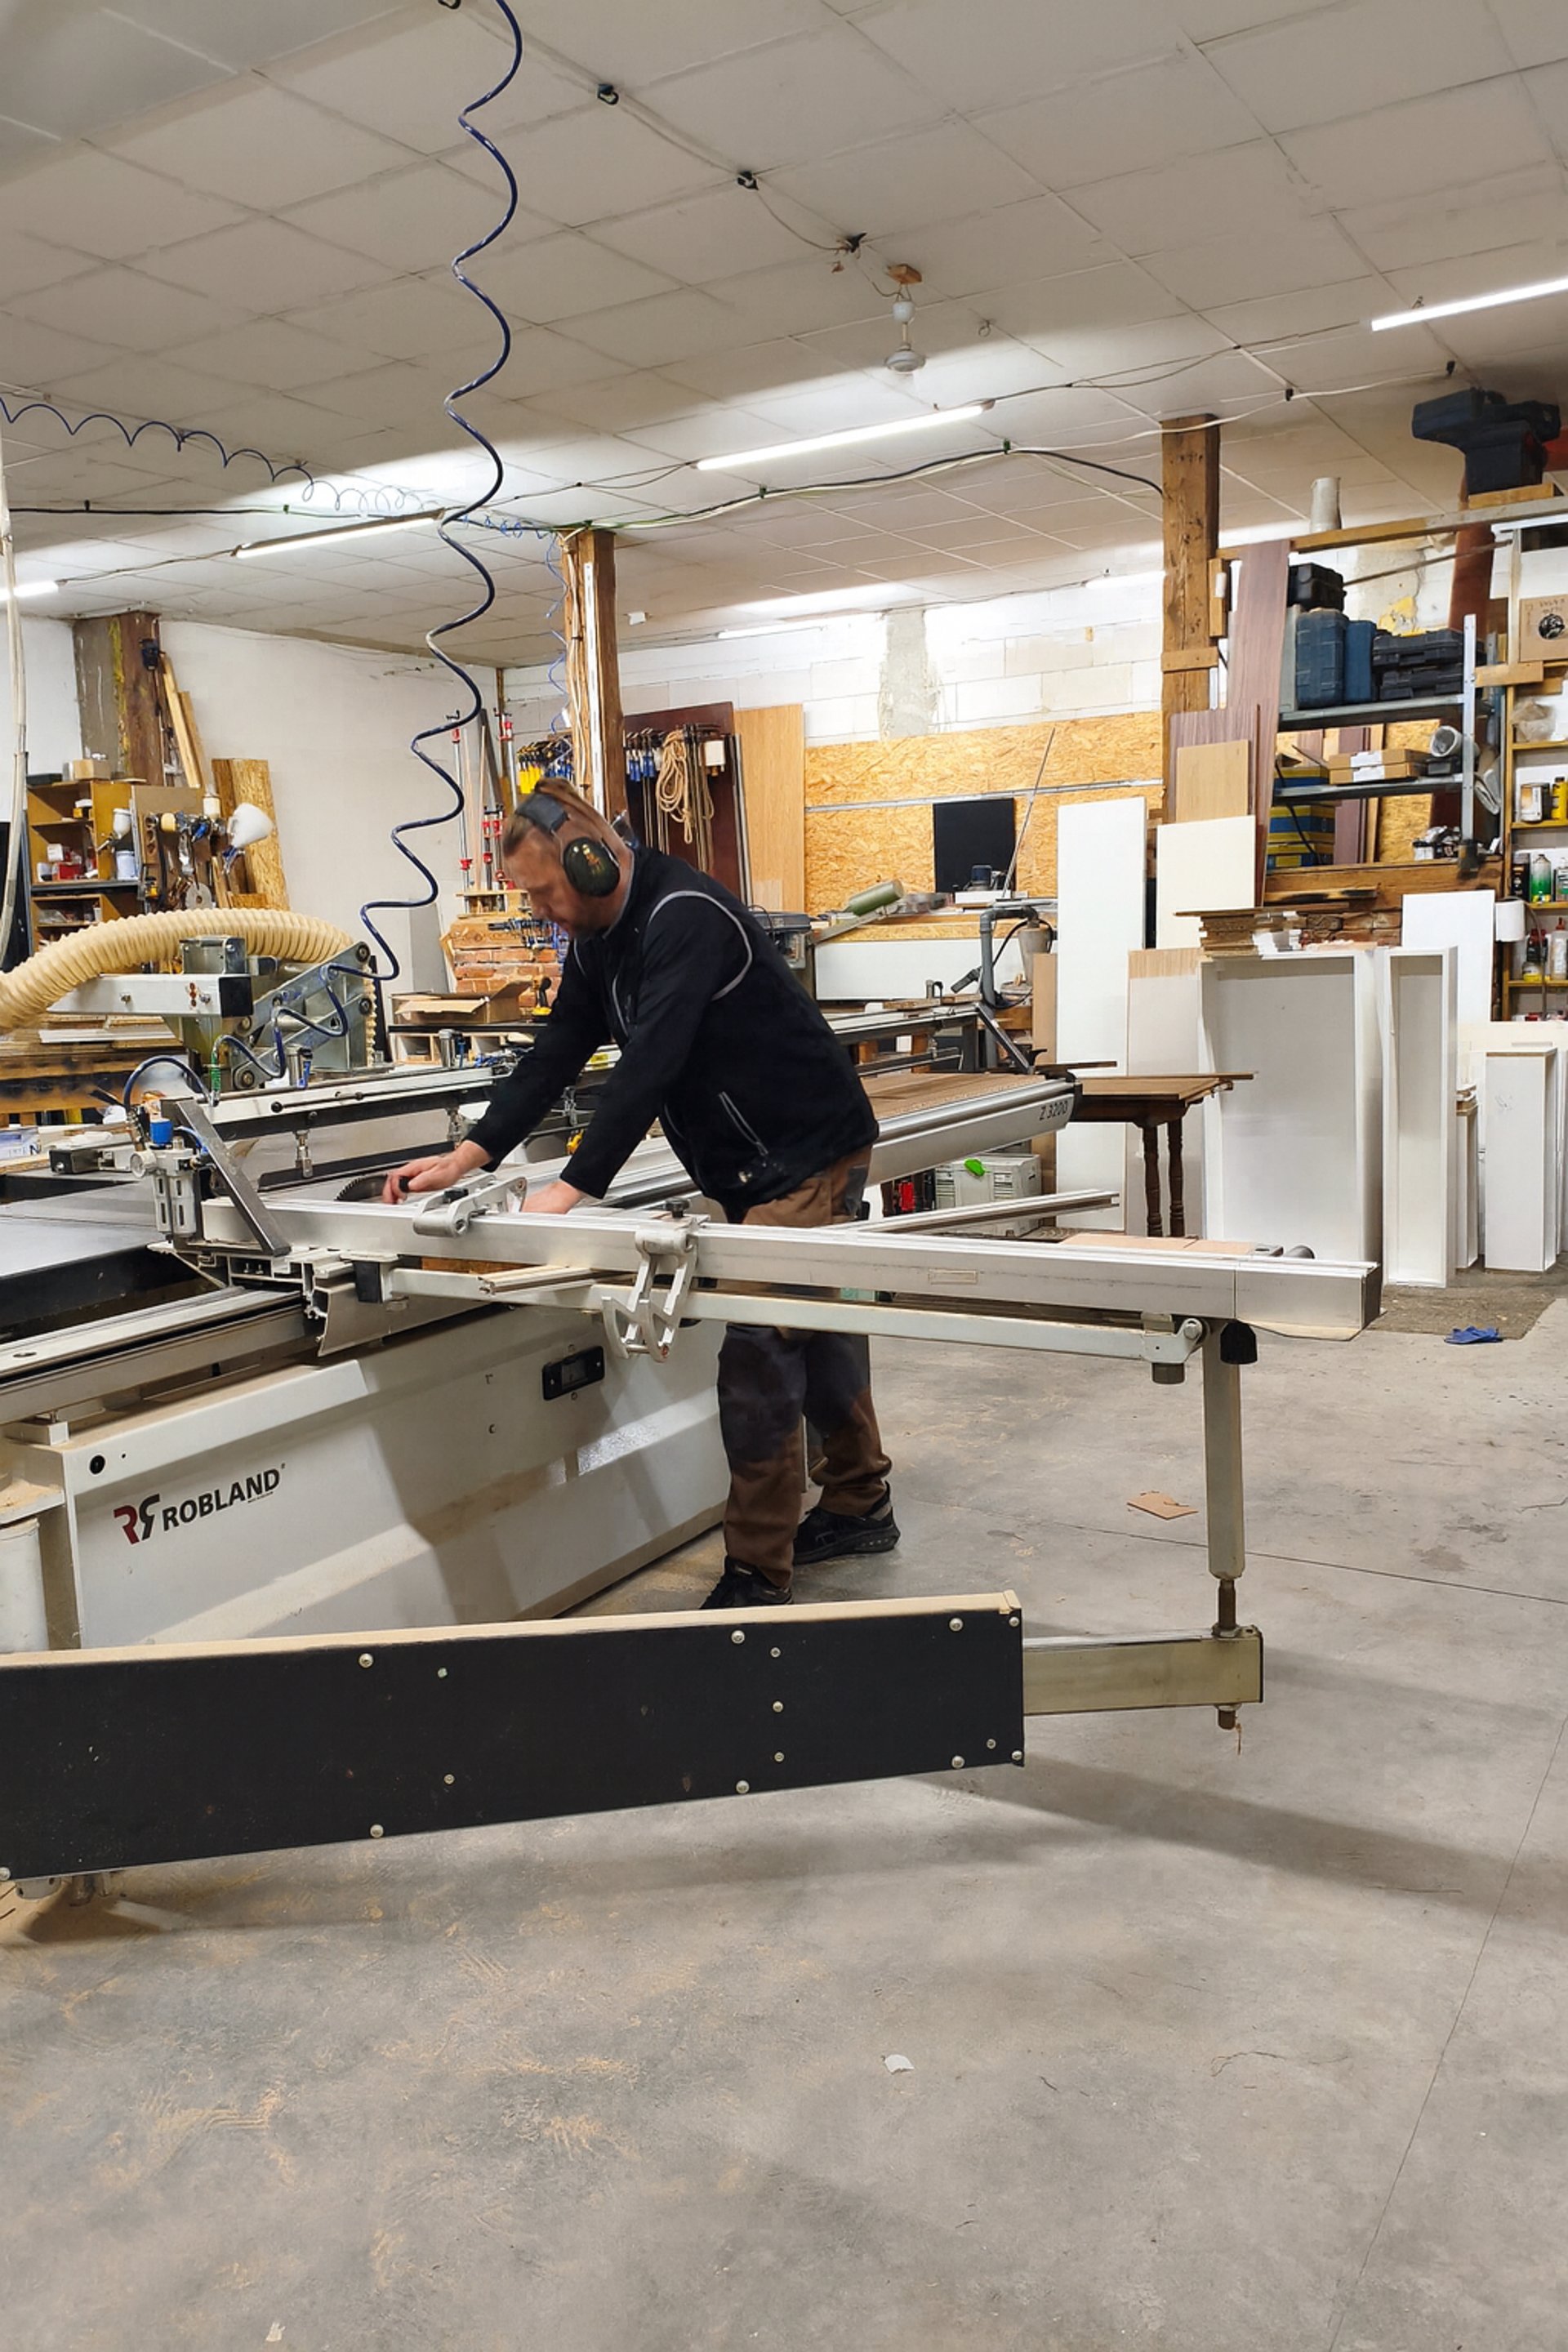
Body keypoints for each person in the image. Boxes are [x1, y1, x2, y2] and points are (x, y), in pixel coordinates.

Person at [384, 783, 898, 1609]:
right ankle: (861, 1500)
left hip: (806, 1152)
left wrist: (568, 1191)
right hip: (745, 1163)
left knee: (762, 1353)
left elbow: (647, 1067)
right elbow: (557, 1052)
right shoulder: (597, 941)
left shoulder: (683, 917)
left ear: (591, 863)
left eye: (546, 892)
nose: (546, 913)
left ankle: (758, 1571)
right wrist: (470, 1154)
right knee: (817, 1327)